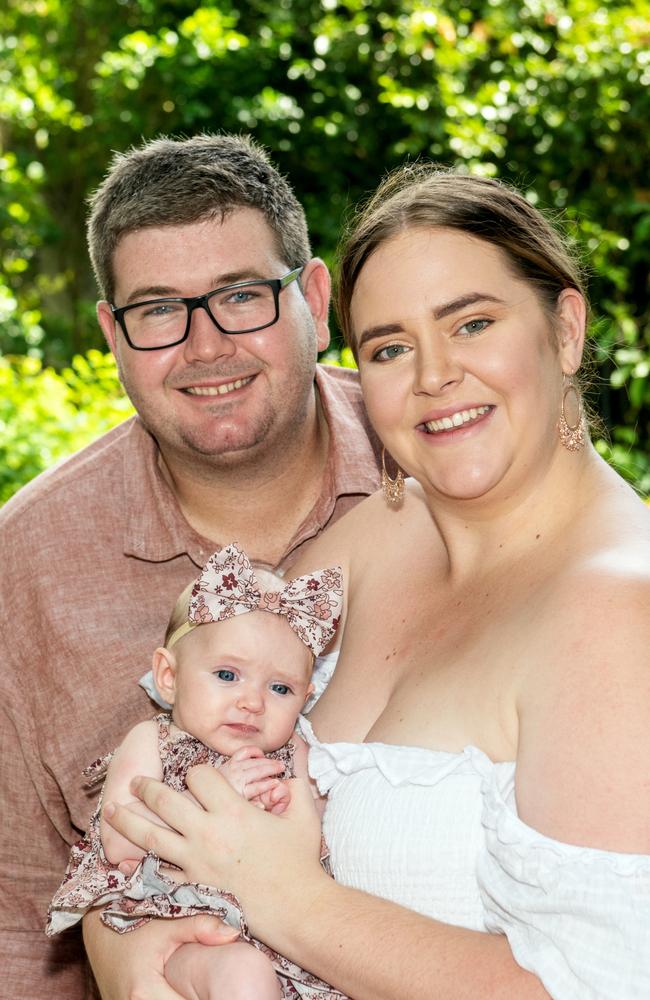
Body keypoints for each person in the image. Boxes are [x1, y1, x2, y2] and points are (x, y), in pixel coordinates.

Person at [105, 165, 650, 1000]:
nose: (434, 375)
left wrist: (288, 898)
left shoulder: (620, 610)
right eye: (390, 347)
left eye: (471, 323)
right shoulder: (365, 544)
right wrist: (138, 963)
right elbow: (169, 777)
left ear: (566, 328)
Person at [0, 133, 382, 999]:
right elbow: (15, 925)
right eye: (158, 309)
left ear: (314, 301)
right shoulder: (24, 570)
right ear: (112, 332)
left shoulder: (435, 477)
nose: (206, 346)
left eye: (242, 295)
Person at [47, 543, 344, 1000]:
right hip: (178, 923)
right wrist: (214, 796)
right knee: (243, 976)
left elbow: (320, 840)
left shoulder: (294, 752)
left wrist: (285, 808)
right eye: (227, 675)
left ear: (305, 697)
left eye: (280, 687)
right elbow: (119, 838)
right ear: (168, 676)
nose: (252, 701)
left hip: (282, 938)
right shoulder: (152, 741)